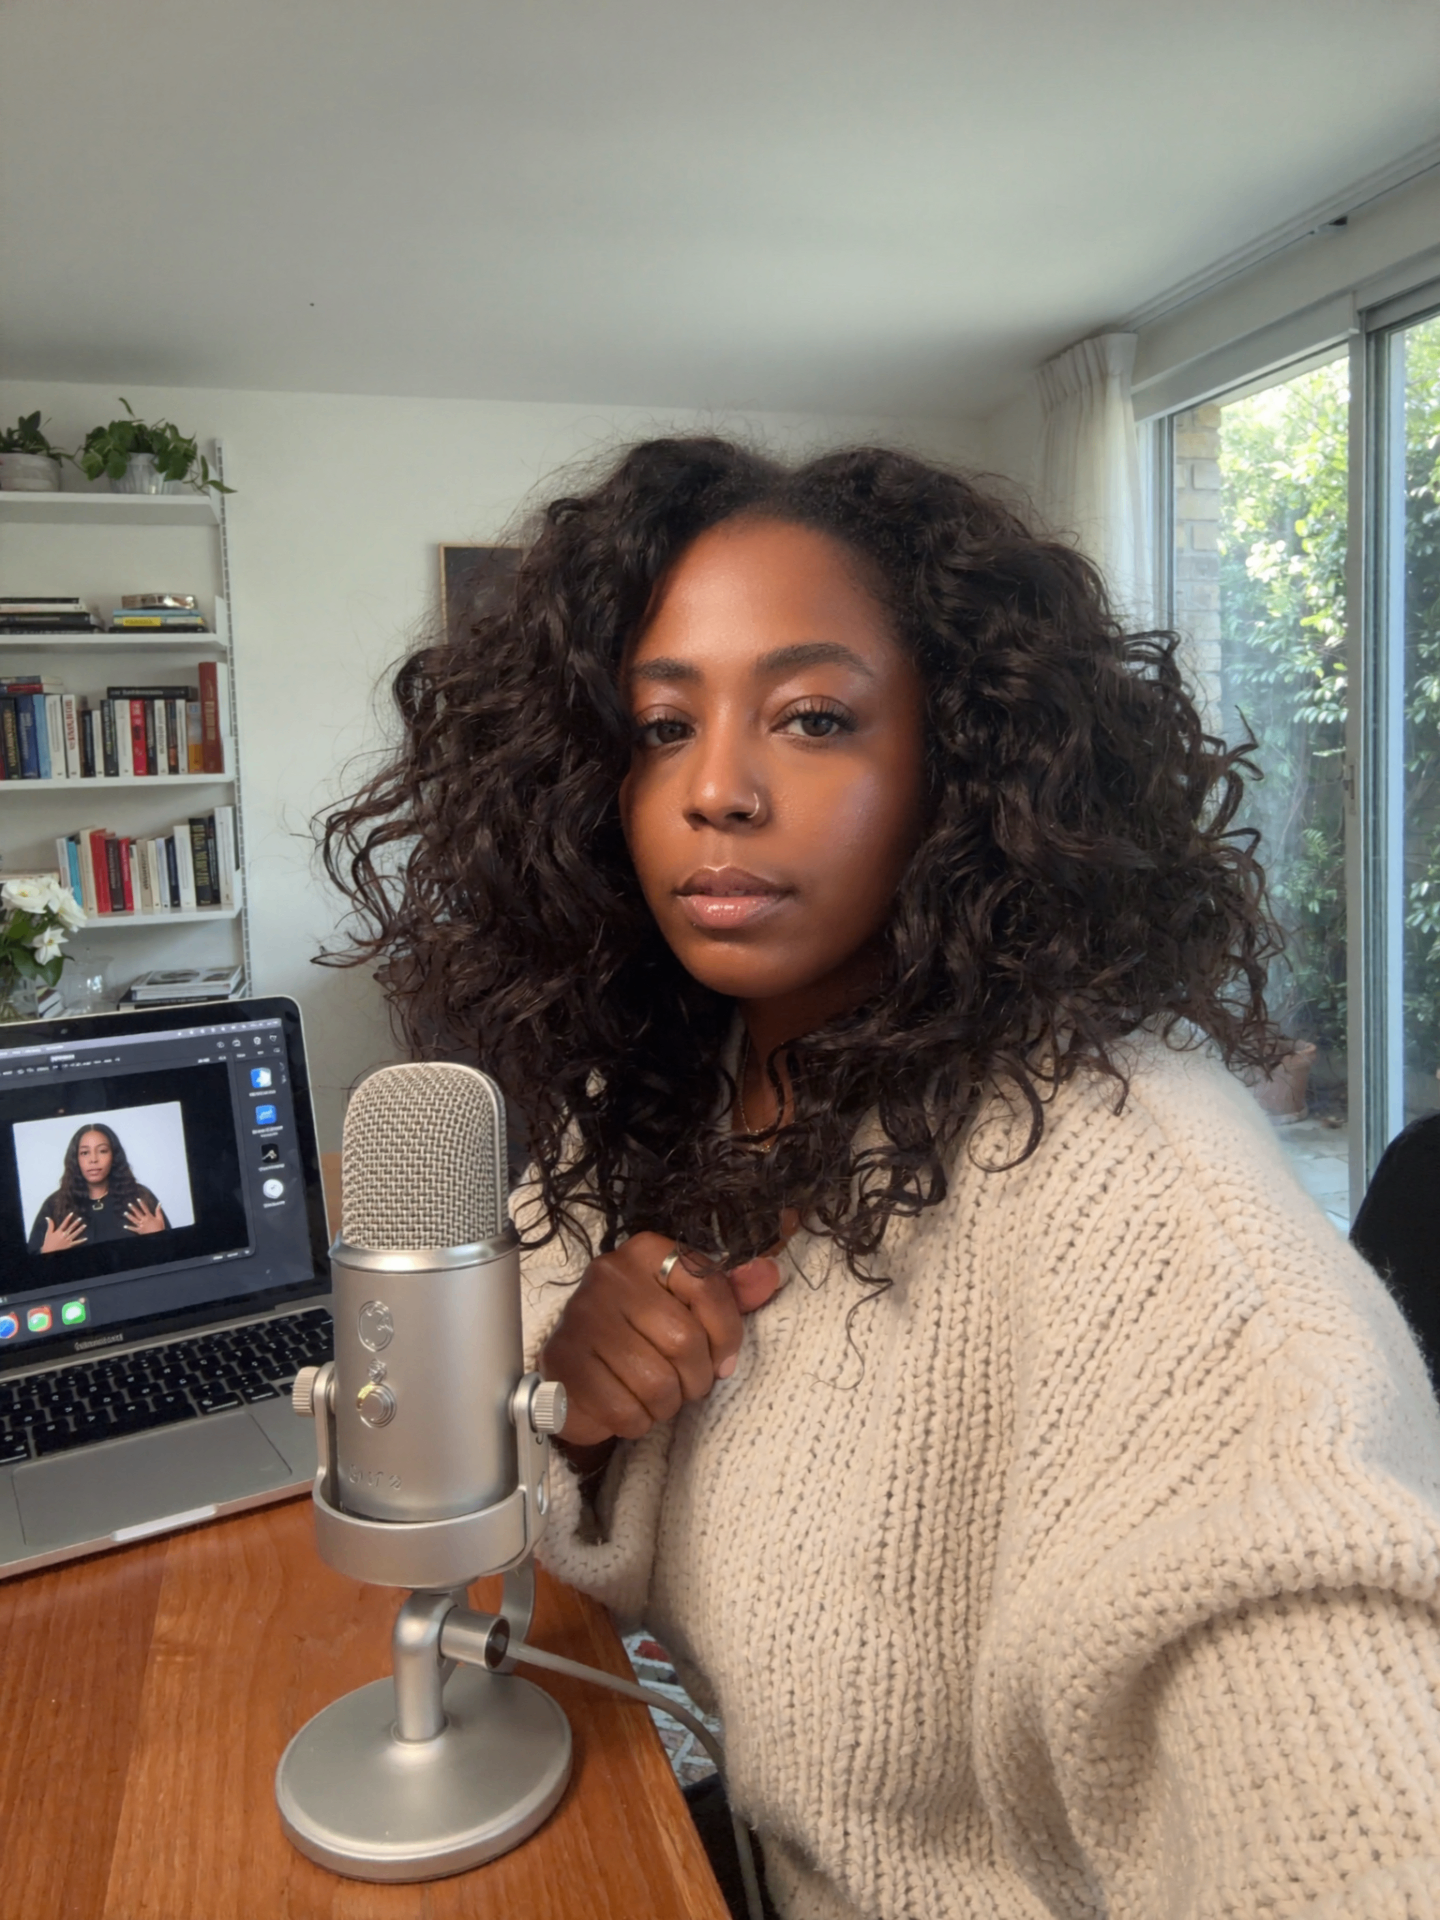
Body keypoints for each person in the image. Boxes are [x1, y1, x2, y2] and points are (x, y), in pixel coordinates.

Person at [323, 438, 1440, 1917]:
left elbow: (1327, 1679)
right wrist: (579, 1413)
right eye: (661, 728)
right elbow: (510, 1509)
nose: (715, 788)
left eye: (813, 717)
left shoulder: (1135, 1181)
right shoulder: (659, 1089)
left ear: (963, 763)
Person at [27, 1121, 167, 1253]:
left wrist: (159, 1237)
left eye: (102, 1151)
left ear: (114, 1156)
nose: (93, 1159)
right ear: (76, 1159)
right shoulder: (55, 1204)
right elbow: (27, 1269)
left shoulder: (140, 1196)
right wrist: (45, 1252)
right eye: (85, 1153)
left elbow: (172, 1256)